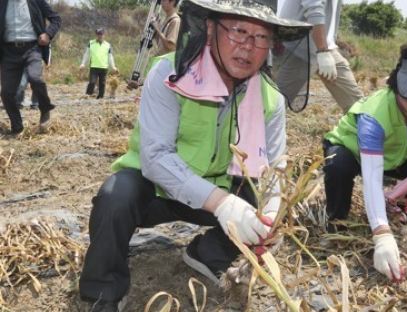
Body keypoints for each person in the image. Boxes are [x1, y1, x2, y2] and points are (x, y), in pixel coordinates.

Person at [78, 0, 310, 310]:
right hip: (154, 190)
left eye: (261, 37)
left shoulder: (271, 98)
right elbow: (156, 158)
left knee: (267, 211)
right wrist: (223, 203)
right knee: (114, 197)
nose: (248, 47)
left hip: (220, 190)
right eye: (239, 31)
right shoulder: (170, 74)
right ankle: (102, 293)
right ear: (211, 28)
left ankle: (207, 253)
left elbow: (274, 167)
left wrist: (269, 214)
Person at [323, 39, 407, 281]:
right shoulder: (375, 115)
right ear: (396, 83)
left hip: (397, 155)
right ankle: (337, 223)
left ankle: (401, 216)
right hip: (354, 151)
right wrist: (381, 233)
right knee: (338, 165)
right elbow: (372, 177)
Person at [274, 0, 363, 112]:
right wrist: (322, 51)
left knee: (356, 103)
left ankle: (363, 126)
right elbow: (314, 9)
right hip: (299, 47)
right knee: (275, 103)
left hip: (327, 48)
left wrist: (327, 47)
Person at [0, 0, 61, 135]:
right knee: (6, 93)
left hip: (32, 48)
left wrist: (48, 34)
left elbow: (56, 19)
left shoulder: (36, 1)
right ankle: (17, 127)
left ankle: (45, 108)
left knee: (35, 78)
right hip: (9, 52)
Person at [80, 28, 118, 99]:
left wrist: (113, 67)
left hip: (104, 67)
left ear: (104, 35)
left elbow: (110, 57)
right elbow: (87, 54)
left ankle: (100, 97)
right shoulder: (91, 43)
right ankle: (88, 95)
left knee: (102, 84)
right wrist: (83, 64)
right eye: (98, 34)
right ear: (96, 35)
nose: (100, 36)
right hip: (94, 67)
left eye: (101, 34)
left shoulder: (107, 45)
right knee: (92, 82)